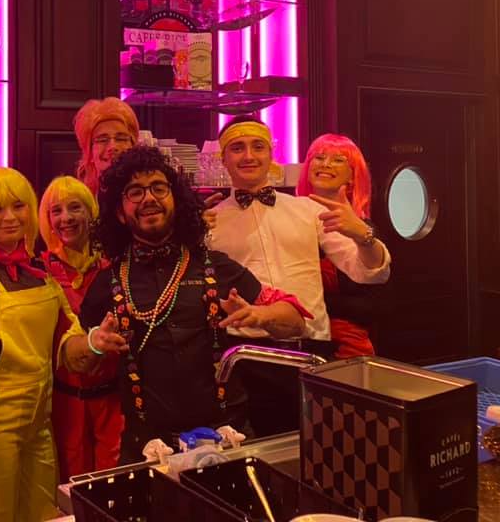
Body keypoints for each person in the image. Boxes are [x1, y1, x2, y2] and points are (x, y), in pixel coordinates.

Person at [81, 145, 308, 461]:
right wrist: (94, 343)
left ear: (175, 200)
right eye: (135, 192)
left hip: (227, 438)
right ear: (119, 212)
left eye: (158, 188)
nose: (149, 198)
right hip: (148, 447)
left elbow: (295, 320)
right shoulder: (108, 281)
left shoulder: (216, 265)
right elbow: (76, 359)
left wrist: (260, 315)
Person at [0, 167, 125, 522]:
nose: (10, 217)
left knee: (44, 513)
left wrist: (95, 342)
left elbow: (67, 342)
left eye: (18, 206)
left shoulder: (39, 272)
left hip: (42, 423)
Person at [206, 116, 390, 435]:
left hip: (310, 349)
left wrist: (363, 235)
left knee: (324, 442)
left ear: (271, 154)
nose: (248, 155)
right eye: (237, 148)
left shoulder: (308, 210)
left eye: (257, 146)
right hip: (247, 354)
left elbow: (369, 272)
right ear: (223, 159)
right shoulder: (212, 223)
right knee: (260, 448)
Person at [38, 176, 123, 478]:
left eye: (75, 207)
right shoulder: (39, 271)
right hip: (64, 404)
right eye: (56, 211)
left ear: (90, 212)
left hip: (112, 400)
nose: (66, 218)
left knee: (113, 484)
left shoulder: (115, 268)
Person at [297, 134, 384, 358]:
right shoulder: (289, 218)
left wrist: (314, 301)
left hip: (345, 348)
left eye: (338, 160)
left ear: (353, 176)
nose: (326, 164)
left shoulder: (363, 229)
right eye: (319, 157)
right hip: (295, 341)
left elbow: (376, 304)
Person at [73, 97, 139, 195]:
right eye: (102, 140)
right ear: (89, 152)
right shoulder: (79, 197)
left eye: (121, 139)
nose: (112, 147)